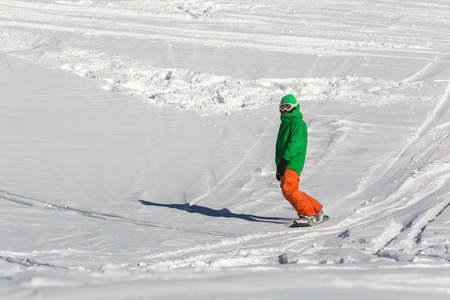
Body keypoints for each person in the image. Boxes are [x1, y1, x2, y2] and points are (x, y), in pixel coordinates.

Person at [275, 94, 324, 226]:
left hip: (292, 162)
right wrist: (279, 166)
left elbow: (296, 144)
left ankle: (308, 214)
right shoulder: (285, 124)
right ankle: (315, 210)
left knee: (289, 189)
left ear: (294, 107)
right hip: (285, 163)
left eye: (287, 107)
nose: (284, 110)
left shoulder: (297, 123)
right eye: (282, 107)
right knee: (290, 190)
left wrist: (285, 160)